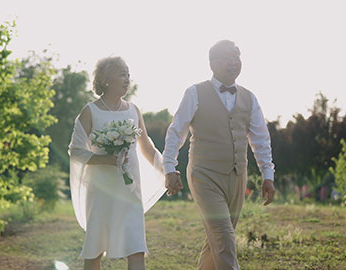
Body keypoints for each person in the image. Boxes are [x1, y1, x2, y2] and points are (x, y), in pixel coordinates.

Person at [163, 40, 276, 270]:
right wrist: (169, 167)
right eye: (227, 57)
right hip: (204, 175)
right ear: (212, 63)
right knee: (224, 238)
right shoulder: (194, 92)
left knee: (216, 239)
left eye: (237, 56)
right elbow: (176, 132)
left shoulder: (249, 97)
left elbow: (260, 139)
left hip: (237, 177)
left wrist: (267, 174)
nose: (233, 62)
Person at [68, 56, 167, 270]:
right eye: (122, 74)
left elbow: (147, 147)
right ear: (105, 79)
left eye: (128, 75)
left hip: (130, 190)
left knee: (136, 245)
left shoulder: (133, 110)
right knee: (95, 248)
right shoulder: (90, 111)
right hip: (101, 189)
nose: (127, 79)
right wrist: (104, 159)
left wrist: (166, 171)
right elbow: (75, 151)